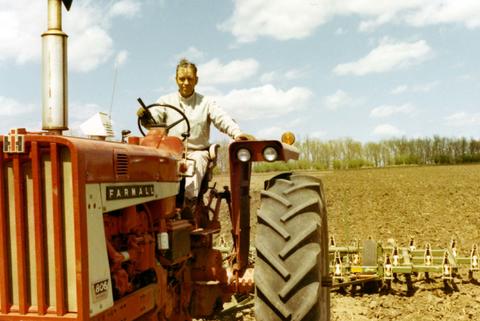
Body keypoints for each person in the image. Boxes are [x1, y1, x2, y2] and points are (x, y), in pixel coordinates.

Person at [137, 58, 252, 201]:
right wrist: (146, 117)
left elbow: (222, 118)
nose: (185, 83)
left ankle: (187, 202)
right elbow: (154, 121)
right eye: (182, 79)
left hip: (196, 152)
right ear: (176, 79)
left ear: (196, 80)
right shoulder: (165, 101)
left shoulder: (206, 103)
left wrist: (237, 133)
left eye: (189, 79)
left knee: (194, 163)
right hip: (170, 153)